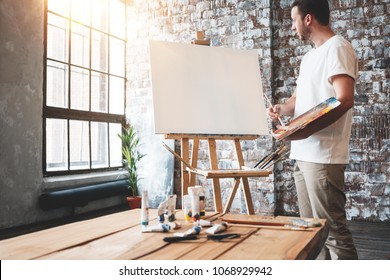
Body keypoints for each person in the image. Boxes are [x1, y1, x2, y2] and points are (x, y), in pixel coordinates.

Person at [267, 0, 358, 260]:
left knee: (334, 234)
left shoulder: (338, 48)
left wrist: (305, 131)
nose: (293, 26)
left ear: (308, 19)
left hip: (323, 157)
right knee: (313, 233)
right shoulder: (308, 57)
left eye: (294, 20)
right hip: (302, 154)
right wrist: (281, 109)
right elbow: (298, 100)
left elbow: (344, 98)